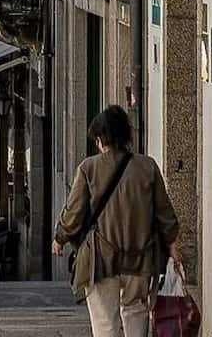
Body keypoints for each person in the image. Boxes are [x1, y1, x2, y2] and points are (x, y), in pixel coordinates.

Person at [52, 104, 180, 337]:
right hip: (140, 258)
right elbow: (165, 213)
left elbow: (74, 212)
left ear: (100, 139)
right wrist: (172, 246)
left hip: (102, 259)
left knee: (105, 323)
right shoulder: (147, 166)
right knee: (135, 313)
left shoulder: (88, 168)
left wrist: (60, 237)